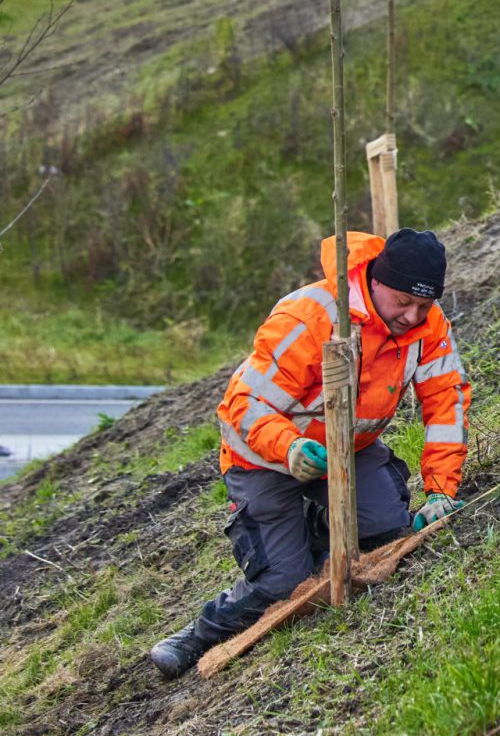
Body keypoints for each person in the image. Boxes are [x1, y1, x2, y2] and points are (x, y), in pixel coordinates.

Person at [147, 229, 470, 679]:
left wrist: (440, 490)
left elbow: (446, 405)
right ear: (376, 280)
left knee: (387, 530)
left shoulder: (427, 326)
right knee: (284, 581)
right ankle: (199, 634)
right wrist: (290, 447)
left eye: (424, 305)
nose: (411, 316)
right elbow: (245, 404)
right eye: (402, 302)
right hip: (263, 457)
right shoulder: (310, 316)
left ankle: (314, 531)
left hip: (348, 451)